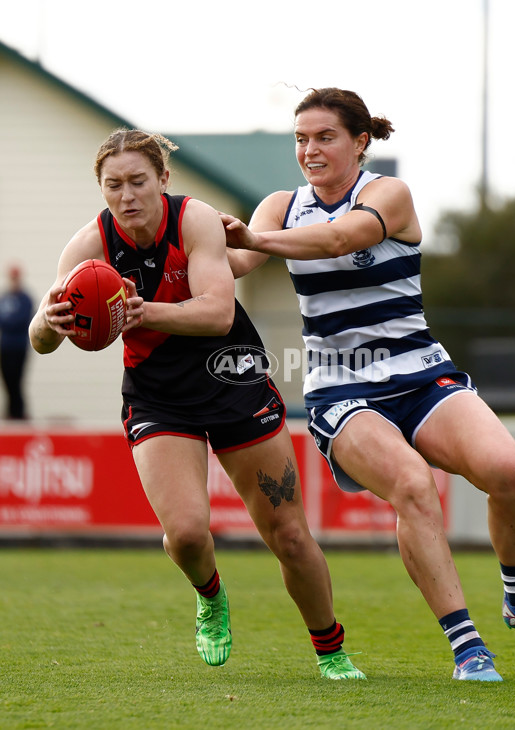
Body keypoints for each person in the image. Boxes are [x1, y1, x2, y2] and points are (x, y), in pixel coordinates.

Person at [220, 87, 515, 681]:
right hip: (342, 389)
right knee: (413, 486)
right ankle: (468, 647)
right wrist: (177, 240)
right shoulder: (280, 206)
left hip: (421, 372)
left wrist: (255, 239)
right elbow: (234, 263)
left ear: (360, 141)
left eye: (324, 137)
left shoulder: (386, 194)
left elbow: (342, 239)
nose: (309, 150)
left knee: (509, 474)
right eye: (301, 138)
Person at [28, 128, 365, 680]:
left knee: (289, 534)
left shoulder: (195, 220)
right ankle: (211, 597)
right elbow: (42, 341)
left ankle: (331, 649)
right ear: (102, 189)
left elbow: (218, 313)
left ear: (163, 179)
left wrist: (141, 313)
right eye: (113, 185)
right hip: (158, 396)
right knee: (186, 533)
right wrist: (49, 321)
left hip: (234, 379)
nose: (127, 195)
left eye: (139, 181)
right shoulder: (88, 248)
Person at [0, 264, 33, 420]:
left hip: (19, 347)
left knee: (17, 379)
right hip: (5, 346)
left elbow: (22, 320)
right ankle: (11, 411)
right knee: (7, 379)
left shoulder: (25, 299)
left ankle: (18, 412)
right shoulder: (4, 298)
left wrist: (9, 322)